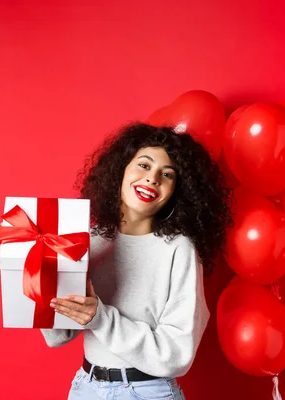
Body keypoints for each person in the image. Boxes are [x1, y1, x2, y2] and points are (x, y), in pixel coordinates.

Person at [41, 122, 233, 399]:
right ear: (121, 169)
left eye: (167, 174)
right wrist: (38, 285)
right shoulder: (88, 240)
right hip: (86, 387)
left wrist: (100, 318)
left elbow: (177, 355)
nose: (153, 178)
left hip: (147, 392)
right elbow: (58, 337)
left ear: (177, 192)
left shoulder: (179, 250)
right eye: (144, 165)